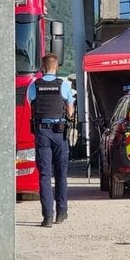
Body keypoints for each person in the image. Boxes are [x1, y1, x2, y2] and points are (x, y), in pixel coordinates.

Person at [27, 53, 75, 228]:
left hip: (41, 133)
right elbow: (70, 111)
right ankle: (61, 213)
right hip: (59, 134)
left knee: (45, 175)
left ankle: (47, 217)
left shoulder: (34, 86)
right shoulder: (64, 85)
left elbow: (30, 103)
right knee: (61, 173)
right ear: (56, 67)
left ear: (42, 67)